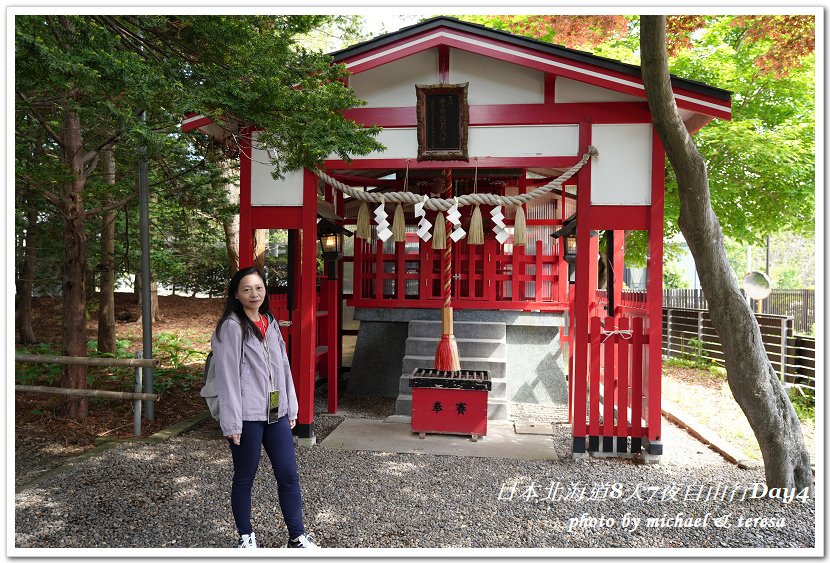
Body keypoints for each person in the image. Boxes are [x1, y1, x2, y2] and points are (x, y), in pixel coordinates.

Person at [211, 267, 319, 549]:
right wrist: (232, 423)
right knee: (245, 477)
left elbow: (284, 368)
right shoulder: (230, 327)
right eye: (247, 289)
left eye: (258, 288)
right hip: (247, 416)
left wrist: (291, 407)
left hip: (275, 413)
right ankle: (246, 538)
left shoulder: (269, 322)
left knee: (288, 474)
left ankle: (296, 538)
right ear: (236, 294)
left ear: (265, 290)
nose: (254, 294)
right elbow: (227, 378)